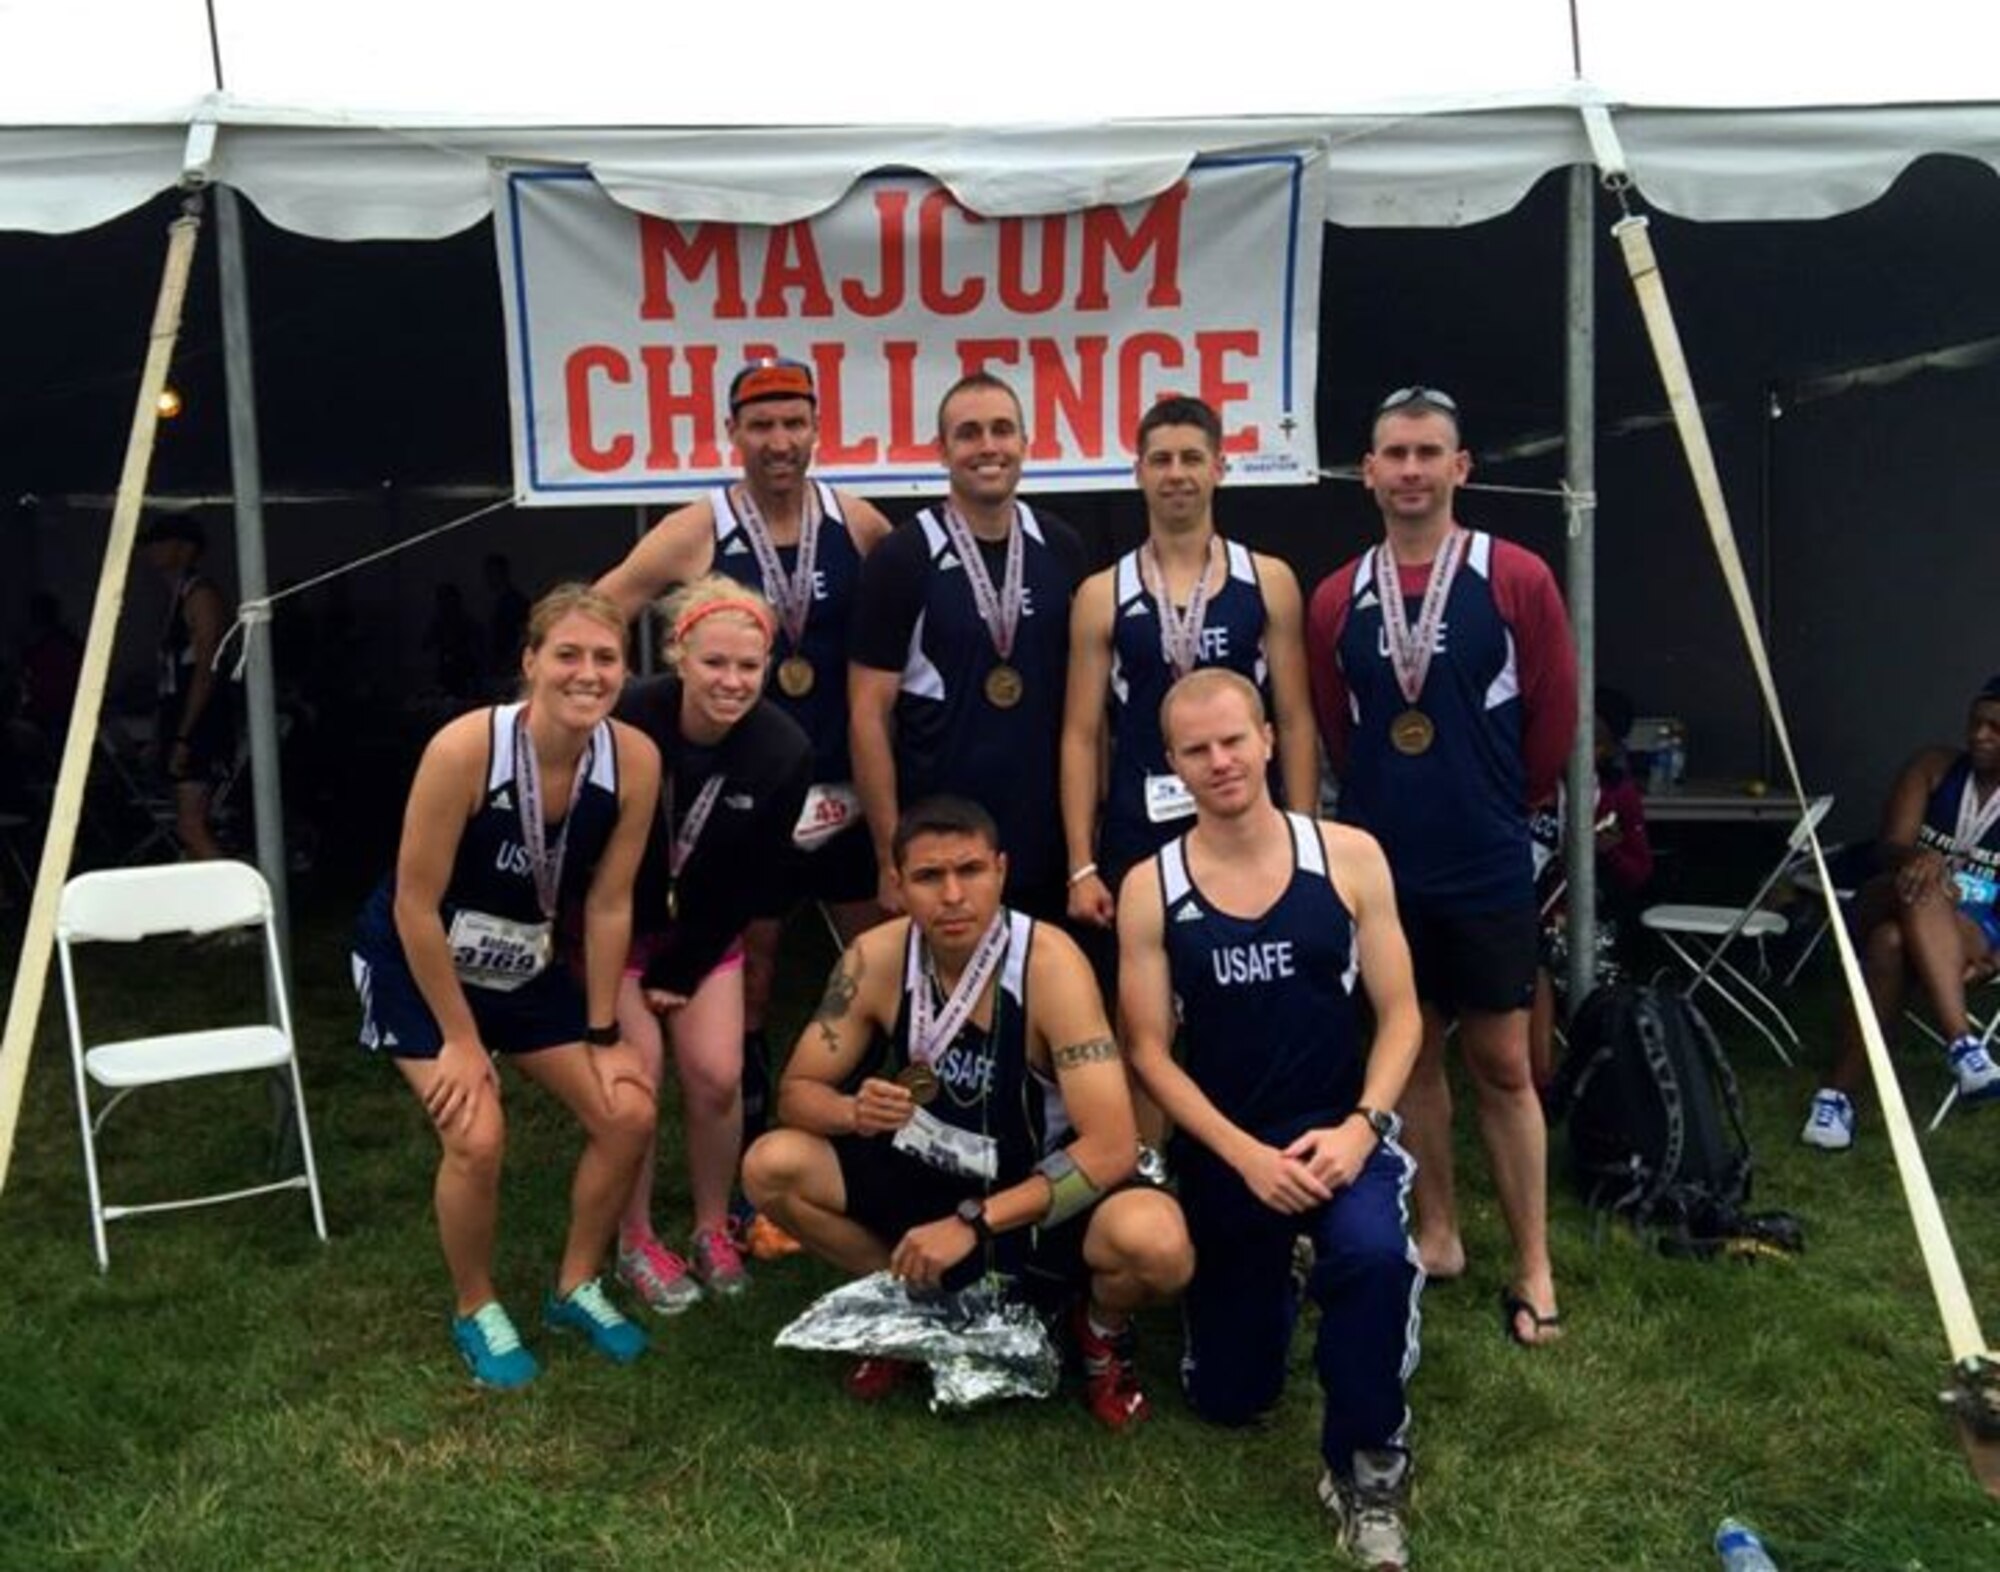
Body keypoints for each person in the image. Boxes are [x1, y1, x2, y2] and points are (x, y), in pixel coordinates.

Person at [743, 795, 1193, 1430]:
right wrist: (852, 1110)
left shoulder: (1049, 965)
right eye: (929, 877)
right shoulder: (875, 956)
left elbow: (1113, 1146)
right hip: (923, 1174)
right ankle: (912, 1307)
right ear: (897, 884)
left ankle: (1097, 1331)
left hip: (1031, 1191)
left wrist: (975, 1223)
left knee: (1157, 1242)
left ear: (1002, 872)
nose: (952, 895)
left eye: (970, 871)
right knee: (771, 1166)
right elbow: (796, 1095)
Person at [1119, 669, 1423, 1566]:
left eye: (1233, 740)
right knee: (1231, 1399)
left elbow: (1402, 1014)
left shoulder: (1350, 855)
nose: (1220, 762)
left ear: (1268, 738)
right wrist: (1242, 1156)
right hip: (1229, 1148)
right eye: (1197, 749)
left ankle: (1368, 1466)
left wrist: (1364, 1126)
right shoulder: (1151, 885)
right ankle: (1273, 1282)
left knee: (1370, 1257)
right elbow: (1146, 1049)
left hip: (1339, 1130)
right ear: (1171, 762)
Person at [598, 356, 894, 1254]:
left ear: (815, 428)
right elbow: (605, 605)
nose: (779, 441)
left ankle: (883, 1147)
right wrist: (583, 715)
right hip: (747, 793)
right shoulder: (699, 528)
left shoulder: (861, 523)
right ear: (734, 433)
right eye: (760, 425)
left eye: (794, 423)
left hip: (844, 784)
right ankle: (753, 1187)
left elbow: (915, 617)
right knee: (753, 970)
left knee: (883, 960)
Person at [1306, 386, 1577, 1348]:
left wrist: (1502, 805)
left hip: (1483, 859)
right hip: (1382, 869)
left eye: (1429, 453)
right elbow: (1339, 729)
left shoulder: (1516, 578)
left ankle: (1535, 1263)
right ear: (1368, 471)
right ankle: (1441, 1234)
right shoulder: (1338, 596)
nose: (1411, 471)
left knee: (1503, 1061)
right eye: (1393, 454)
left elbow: (1552, 719)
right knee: (1408, 1050)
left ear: (1461, 468)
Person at [350, 583, 662, 1389]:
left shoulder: (634, 760)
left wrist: (602, 1033)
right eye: (567, 654)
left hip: (518, 964)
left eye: (605, 658)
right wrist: (460, 1039)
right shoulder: (464, 749)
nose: (586, 673)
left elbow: (610, 900)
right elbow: (417, 904)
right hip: (417, 960)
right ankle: (475, 1304)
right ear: (529, 663)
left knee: (627, 1111)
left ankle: (576, 1286)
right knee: (477, 1135)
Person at [611, 577, 813, 1308]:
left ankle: (709, 1224)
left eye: (748, 667)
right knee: (635, 1080)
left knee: (717, 1075)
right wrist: (633, 954)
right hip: (614, 928)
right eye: (714, 664)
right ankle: (633, 1237)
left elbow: (758, 875)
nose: (732, 682)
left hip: (705, 930)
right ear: (678, 656)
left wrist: (688, 960)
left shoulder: (784, 748)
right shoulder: (628, 715)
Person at [1062, 394, 1320, 935]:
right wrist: (1081, 863)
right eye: (1161, 460)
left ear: (1219, 468)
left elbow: (1294, 720)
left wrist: (1306, 836)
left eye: (1191, 458)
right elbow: (1082, 735)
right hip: (1142, 823)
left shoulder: (1268, 580)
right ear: (1138, 472)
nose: (1176, 474)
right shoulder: (1101, 593)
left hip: (1251, 823)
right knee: (1141, 997)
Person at [850, 372, 1087, 921]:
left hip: (1045, 835)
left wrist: (1083, 846)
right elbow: (867, 715)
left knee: (1047, 995)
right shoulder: (903, 558)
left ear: (1026, 443)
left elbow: (1085, 705)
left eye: (1002, 430)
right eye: (969, 433)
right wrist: (891, 857)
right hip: (942, 846)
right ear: (942, 451)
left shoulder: (1061, 546)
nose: (988, 447)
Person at [1802, 676, 2000, 1149]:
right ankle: (1963, 1045)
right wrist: (1917, 860)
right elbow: (1890, 845)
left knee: (1890, 945)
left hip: (1973, 924)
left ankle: (1836, 1098)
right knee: (1921, 884)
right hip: (1888, 892)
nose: (1979, 735)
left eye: (1996, 727)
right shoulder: (1933, 767)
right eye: (1975, 722)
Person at [1526, 690, 1655, 1091]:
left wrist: (1609, 851)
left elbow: (1640, 872)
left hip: (1578, 914)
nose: (1581, 748)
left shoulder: (1614, 795)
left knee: (1536, 955)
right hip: (1516, 900)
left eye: (1595, 742)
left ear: (1609, 748)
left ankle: (1544, 1078)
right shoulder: (1528, 778)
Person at [140, 515, 236, 860]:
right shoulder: (176, 597)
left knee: (190, 826)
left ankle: (238, 898)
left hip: (200, 723)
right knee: (188, 825)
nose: (150, 550)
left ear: (185, 548)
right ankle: (209, 903)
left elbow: (206, 671)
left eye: (160, 542)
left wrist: (184, 736)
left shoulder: (201, 596)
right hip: (179, 717)